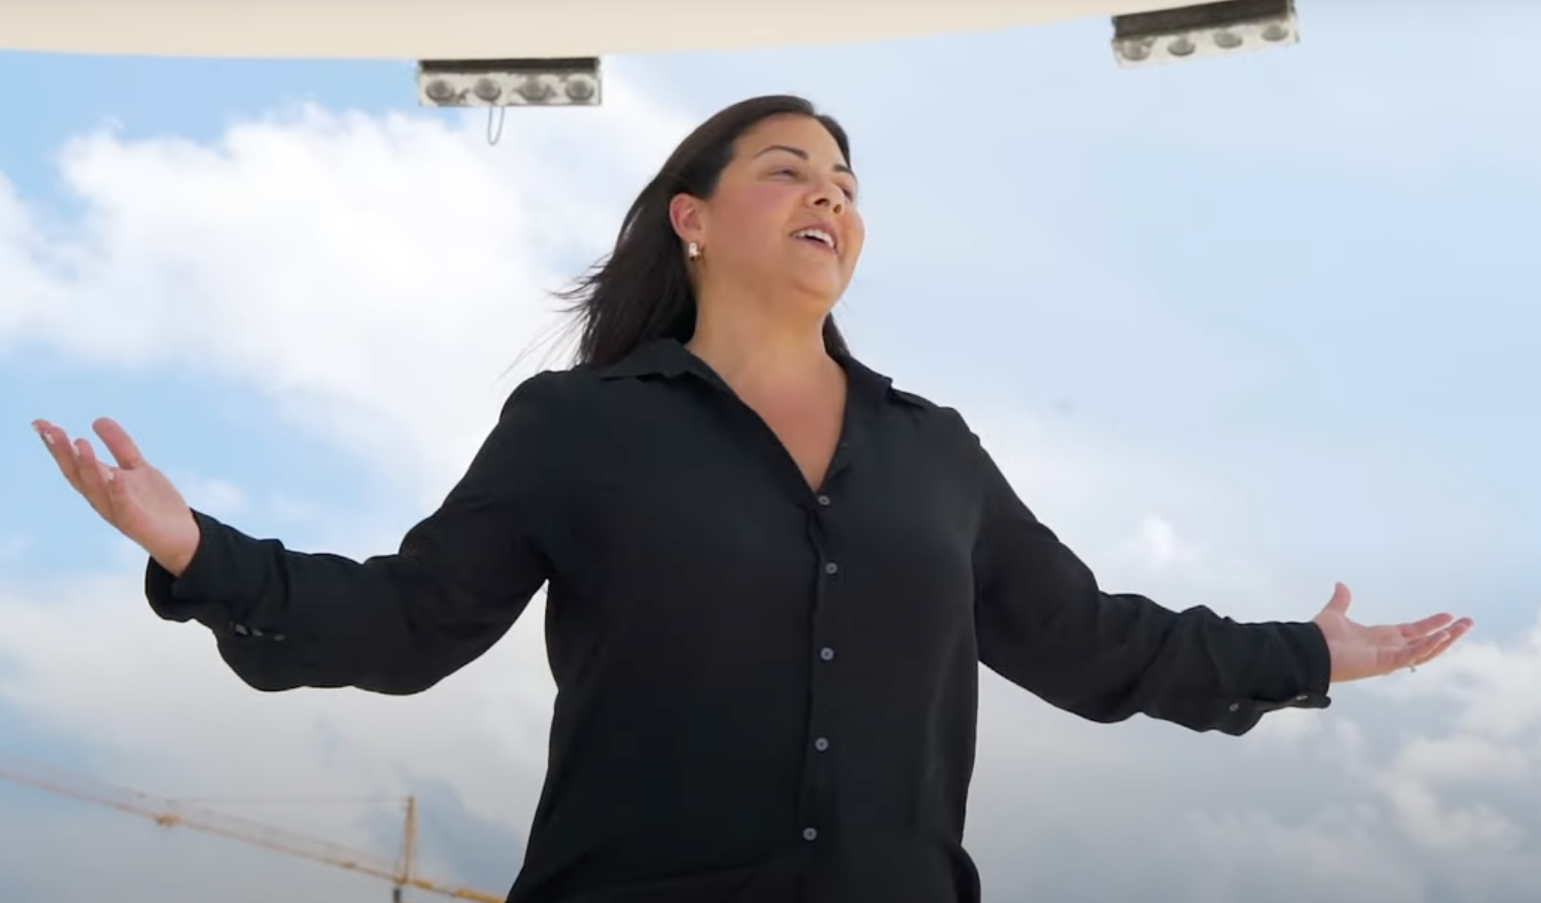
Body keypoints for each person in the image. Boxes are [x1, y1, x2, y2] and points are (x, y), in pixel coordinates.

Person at [33, 95, 1472, 903]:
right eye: (789, 169)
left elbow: (1096, 641)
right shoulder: (580, 428)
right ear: (696, 218)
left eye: (846, 178)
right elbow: (406, 623)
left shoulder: (936, 453)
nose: (830, 192)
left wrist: (1305, 653)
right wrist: (198, 550)